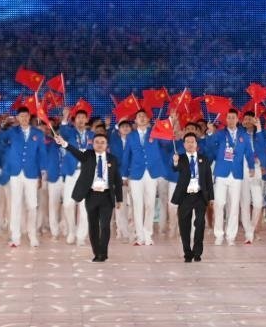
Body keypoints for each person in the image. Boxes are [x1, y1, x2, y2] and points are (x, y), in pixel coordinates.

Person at [55, 131, 123, 262]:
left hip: (107, 196)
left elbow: (117, 180)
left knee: (105, 225)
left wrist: (119, 198)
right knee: (93, 225)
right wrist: (64, 143)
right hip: (91, 195)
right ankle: (97, 252)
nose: (100, 145)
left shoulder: (112, 159)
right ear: (93, 144)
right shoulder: (88, 155)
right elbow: (75, 152)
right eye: (97, 142)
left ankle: (103, 252)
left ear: (107, 145)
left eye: (102, 142)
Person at [204, 109, 254, 246]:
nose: (231, 120)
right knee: (219, 204)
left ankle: (231, 236)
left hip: (236, 174)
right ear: (226, 120)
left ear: (237, 119)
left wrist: (251, 167)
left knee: (234, 206)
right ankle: (219, 234)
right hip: (221, 173)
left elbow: (249, 153)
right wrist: (210, 133)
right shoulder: (220, 134)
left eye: (233, 117)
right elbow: (210, 146)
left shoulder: (244, 136)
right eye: (229, 118)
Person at [0, 107, 47, 248]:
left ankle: (32, 235)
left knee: (32, 205)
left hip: (31, 173)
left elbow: (42, 153)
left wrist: (42, 171)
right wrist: (1, 126)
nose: (24, 119)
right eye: (21, 116)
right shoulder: (12, 132)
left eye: (26, 116)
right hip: (15, 173)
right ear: (17, 118)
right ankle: (15, 237)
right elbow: (0, 138)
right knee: (15, 204)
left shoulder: (38, 133)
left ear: (29, 117)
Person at [121, 109, 167, 246]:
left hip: (151, 173)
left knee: (150, 204)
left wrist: (162, 128)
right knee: (137, 205)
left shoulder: (155, 133)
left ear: (148, 119)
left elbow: (166, 144)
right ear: (135, 121)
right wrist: (124, 175)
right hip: (136, 173)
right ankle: (139, 236)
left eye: (144, 116)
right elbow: (126, 155)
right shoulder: (131, 136)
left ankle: (148, 234)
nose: (141, 118)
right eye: (139, 116)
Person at [171, 132, 214, 262]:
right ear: (184, 145)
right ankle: (187, 252)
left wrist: (211, 197)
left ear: (196, 144)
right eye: (187, 142)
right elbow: (175, 168)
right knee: (184, 225)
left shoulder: (203, 159)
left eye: (192, 142)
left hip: (200, 195)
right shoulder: (180, 158)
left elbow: (208, 179)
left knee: (200, 223)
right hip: (185, 195)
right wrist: (175, 162)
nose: (190, 144)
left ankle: (197, 252)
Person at [59, 108, 95, 246]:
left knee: (85, 207)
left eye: (83, 117)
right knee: (68, 204)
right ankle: (71, 231)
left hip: (87, 173)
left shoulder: (92, 135)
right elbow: (62, 131)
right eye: (78, 118)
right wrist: (65, 117)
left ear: (87, 120)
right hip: (72, 172)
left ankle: (81, 236)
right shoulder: (70, 133)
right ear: (74, 121)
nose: (80, 120)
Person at [239, 111, 266, 244]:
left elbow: (262, 146)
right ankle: (249, 233)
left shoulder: (258, 135)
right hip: (242, 169)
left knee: (258, 202)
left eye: (250, 119)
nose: (247, 121)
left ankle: (251, 228)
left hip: (256, 170)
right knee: (244, 203)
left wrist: (259, 127)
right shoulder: (239, 134)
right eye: (245, 119)